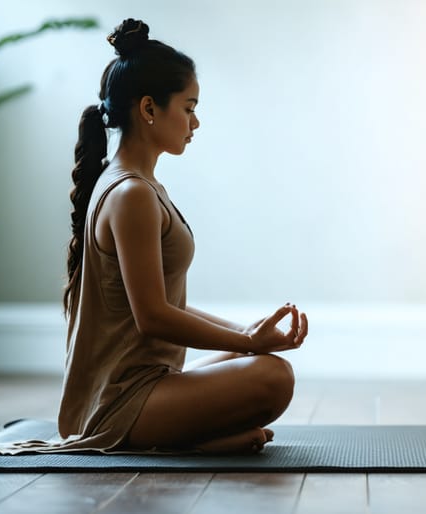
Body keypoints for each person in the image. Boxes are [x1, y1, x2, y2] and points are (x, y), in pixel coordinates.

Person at [55, 18, 308, 455]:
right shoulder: (131, 193)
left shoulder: (135, 185)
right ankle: (186, 443)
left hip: (145, 390)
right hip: (121, 406)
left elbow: (160, 302)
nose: (196, 122)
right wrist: (248, 341)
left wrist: (245, 331)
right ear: (150, 109)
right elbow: (153, 316)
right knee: (274, 376)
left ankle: (197, 438)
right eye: (188, 107)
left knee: (253, 361)